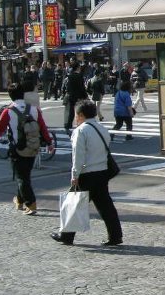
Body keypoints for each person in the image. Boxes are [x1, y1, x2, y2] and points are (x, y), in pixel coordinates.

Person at [51, 99, 122, 247]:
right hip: (102, 172)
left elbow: (78, 156)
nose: (75, 118)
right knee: (106, 206)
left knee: (74, 204)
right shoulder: (102, 128)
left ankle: (66, 236)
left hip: (87, 173)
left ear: (81, 115)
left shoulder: (81, 131)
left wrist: (74, 175)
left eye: (76, 115)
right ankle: (115, 236)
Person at [0, 83, 55, 215]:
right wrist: (49, 142)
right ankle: (19, 200)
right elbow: (42, 127)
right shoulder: (34, 109)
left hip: (17, 148)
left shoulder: (8, 111)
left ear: (10, 95)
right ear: (23, 94)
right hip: (33, 147)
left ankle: (31, 204)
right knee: (24, 175)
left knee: (21, 177)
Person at [63, 62, 87, 133]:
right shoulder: (79, 76)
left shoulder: (69, 76)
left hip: (69, 95)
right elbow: (82, 88)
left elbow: (64, 86)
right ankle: (79, 124)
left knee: (69, 111)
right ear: (78, 68)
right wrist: (85, 96)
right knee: (79, 110)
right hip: (78, 96)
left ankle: (67, 124)